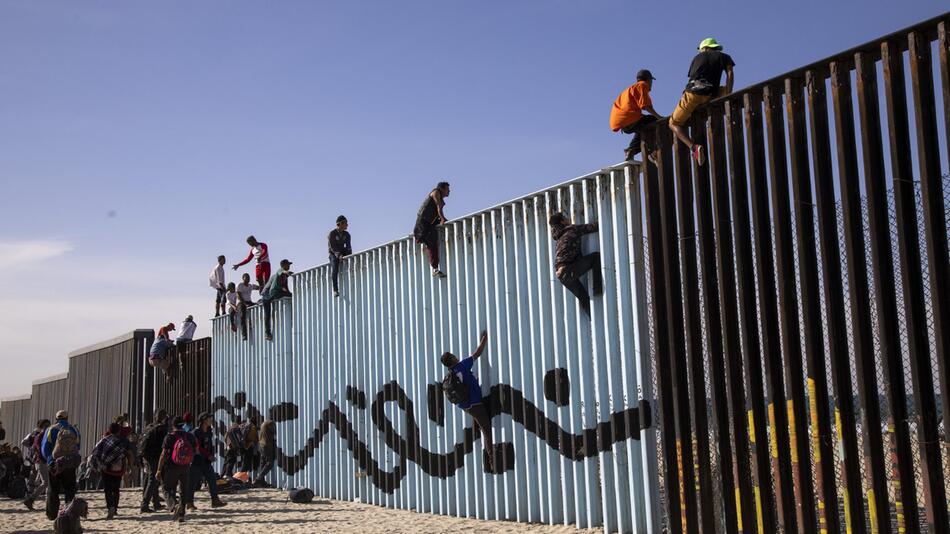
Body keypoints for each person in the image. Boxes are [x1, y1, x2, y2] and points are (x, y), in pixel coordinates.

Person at [669, 37, 736, 166]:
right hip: (712, 94)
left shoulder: (696, 58)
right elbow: (730, 73)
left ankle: (694, 148)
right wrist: (728, 93)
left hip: (693, 94)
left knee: (673, 123)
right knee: (723, 90)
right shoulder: (724, 56)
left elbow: (693, 79)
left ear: (704, 48)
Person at [440, 331, 494, 471]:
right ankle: (491, 459)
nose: (455, 356)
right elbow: (477, 353)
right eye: (453, 355)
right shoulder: (462, 366)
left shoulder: (451, 374)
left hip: (466, 405)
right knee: (487, 430)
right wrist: (484, 340)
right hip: (474, 403)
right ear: (452, 359)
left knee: (480, 422)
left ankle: (479, 433)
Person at [549, 213, 603, 317]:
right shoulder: (572, 229)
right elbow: (591, 227)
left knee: (583, 297)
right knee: (596, 257)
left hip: (561, 275)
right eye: (565, 217)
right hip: (569, 270)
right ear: (562, 221)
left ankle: (592, 318)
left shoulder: (559, 237)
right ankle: (597, 289)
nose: (568, 218)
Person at [610, 69, 663, 162]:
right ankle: (654, 153)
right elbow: (646, 106)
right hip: (629, 119)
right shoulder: (642, 85)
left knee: (642, 128)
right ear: (648, 80)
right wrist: (659, 117)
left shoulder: (629, 90)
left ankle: (631, 150)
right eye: (651, 81)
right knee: (654, 121)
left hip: (621, 122)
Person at [155, 416, 196, 523]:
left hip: (171, 467)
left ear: (173, 425)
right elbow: (195, 450)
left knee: (167, 488)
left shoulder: (169, 437)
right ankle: (181, 515)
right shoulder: (189, 436)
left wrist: (159, 469)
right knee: (183, 490)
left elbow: (163, 454)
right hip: (186, 466)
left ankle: (174, 506)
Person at [41, 410, 81, 520]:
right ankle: (70, 512)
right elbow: (78, 446)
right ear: (67, 417)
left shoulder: (51, 429)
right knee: (70, 488)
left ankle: (52, 515)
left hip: (55, 463)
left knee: (53, 489)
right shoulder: (73, 429)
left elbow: (45, 449)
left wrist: (50, 461)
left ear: (56, 418)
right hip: (70, 463)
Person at [89, 422, 133, 520]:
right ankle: (115, 508)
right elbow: (126, 454)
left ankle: (110, 507)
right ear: (119, 431)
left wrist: (99, 465)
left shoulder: (103, 440)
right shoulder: (121, 441)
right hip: (118, 469)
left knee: (107, 489)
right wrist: (129, 466)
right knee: (116, 489)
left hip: (106, 469)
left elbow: (95, 453)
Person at [184, 412, 226, 510]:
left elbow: (208, 446)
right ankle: (189, 503)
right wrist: (208, 455)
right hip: (197, 461)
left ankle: (215, 500)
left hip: (206, 462)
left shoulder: (209, 432)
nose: (211, 420)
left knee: (212, 480)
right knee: (192, 483)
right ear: (203, 420)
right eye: (209, 418)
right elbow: (198, 447)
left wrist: (210, 456)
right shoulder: (196, 432)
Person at [413, 182, 450, 278]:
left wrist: (443, 219)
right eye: (447, 189)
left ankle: (435, 268)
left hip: (430, 222)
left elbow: (439, 210)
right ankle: (435, 269)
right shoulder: (436, 192)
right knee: (431, 241)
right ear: (442, 188)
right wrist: (442, 219)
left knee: (433, 240)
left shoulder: (440, 196)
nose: (449, 191)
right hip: (424, 222)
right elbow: (438, 207)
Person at [138, 410, 168, 513]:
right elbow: (163, 445)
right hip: (154, 456)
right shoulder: (162, 428)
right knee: (153, 479)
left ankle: (156, 503)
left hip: (145, 455)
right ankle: (145, 504)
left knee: (150, 478)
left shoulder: (149, 426)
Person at [22, 419, 51, 511]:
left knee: (47, 483)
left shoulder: (43, 435)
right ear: (41, 426)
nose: (48, 426)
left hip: (42, 461)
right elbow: (38, 449)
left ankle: (49, 503)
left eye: (48, 425)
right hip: (41, 461)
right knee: (45, 483)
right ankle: (30, 499)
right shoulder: (40, 435)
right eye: (46, 425)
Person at [260, 259, 293, 341]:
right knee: (267, 315)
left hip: (275, 292)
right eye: (288, 265)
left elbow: (286, 289)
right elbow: (282, 272)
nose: (289, 266)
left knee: (290, 295)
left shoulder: (285, 277)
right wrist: (286, 272)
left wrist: (291, 296)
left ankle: (268, 333)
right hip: (268, 295)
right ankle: (267, 333)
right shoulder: (280, 271)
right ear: (283, 265)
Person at [328, 215, 352, 297]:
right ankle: (335, 289)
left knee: (350, 259)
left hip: (342, 251)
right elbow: (333, 248)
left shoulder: (347, 234)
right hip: (333, 253)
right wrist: (339, 256)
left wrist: (350, 256)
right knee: (335, 267)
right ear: (340, 224)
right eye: (345, 223)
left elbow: (348, 247)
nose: (347, 225)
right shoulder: (332, 234)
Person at [254, 419, 277, 488]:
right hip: (267, 445)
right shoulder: (270, 423)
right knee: (270, 463)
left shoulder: (263, 424)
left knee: (263, 463)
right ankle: (258, 478)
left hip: (261, 445)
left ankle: (262, 482)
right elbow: (275, 432)